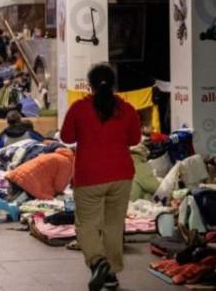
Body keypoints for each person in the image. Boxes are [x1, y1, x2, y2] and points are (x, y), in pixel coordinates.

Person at [61, 63, 141, 291]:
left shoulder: (79, 108)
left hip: (89, 176)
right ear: (114, 84)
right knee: (114, 225)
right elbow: (134, 140)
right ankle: (112, 274)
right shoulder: (127, 109)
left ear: (90, 85)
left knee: (86, 224)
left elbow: (66, 137)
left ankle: (98, 261)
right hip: (121, 174)